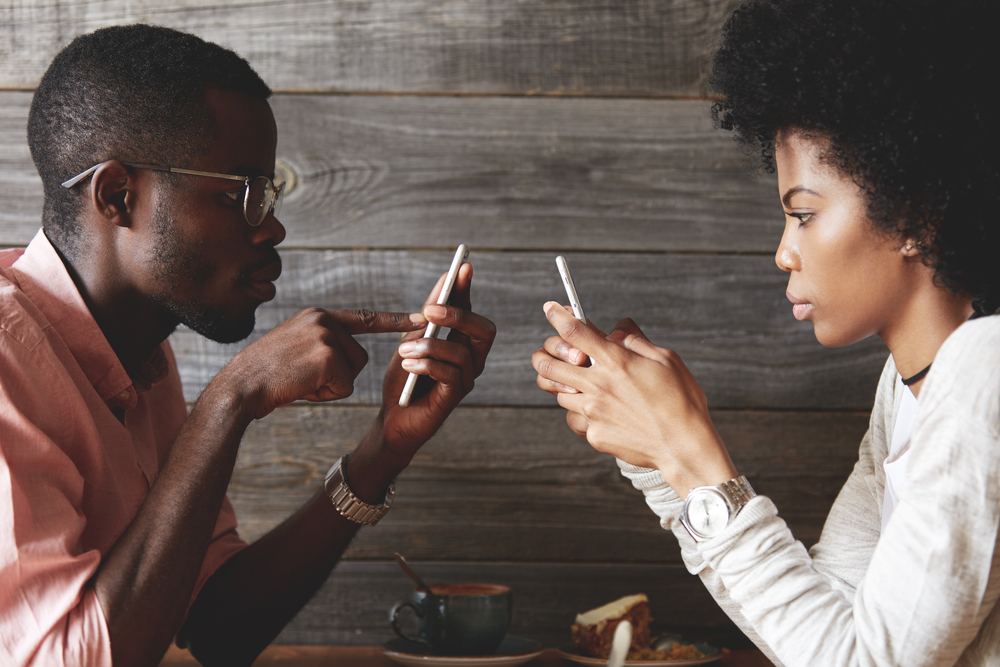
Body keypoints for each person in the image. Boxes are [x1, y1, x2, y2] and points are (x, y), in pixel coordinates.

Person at [0, 24, 495, 667]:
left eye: (270, 193)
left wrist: (383, 448)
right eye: (243, 193)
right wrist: (230, 398)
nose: (273, 226)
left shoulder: (140, 355)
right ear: (119, 195)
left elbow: (215, 623)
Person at [533, 0, 1000, 665]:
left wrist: (688, 453)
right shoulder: (905, 388)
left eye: (804, 214)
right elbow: (823, 626)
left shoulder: (987, 369)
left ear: (917, 217)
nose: (785, 252)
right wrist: (660, 460)